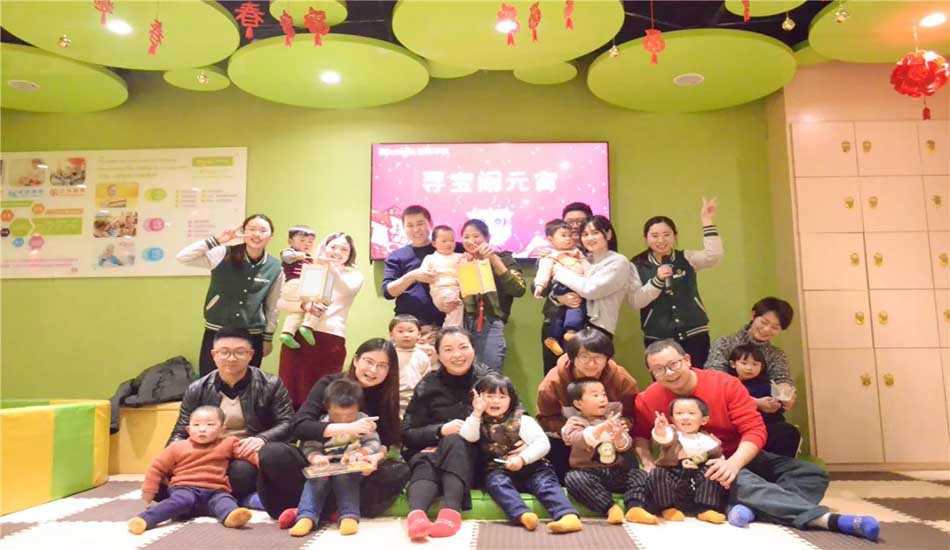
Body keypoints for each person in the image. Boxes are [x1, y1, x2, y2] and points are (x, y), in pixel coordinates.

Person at [633, 340, 879, 541]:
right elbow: (641, 436)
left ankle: (749, 508)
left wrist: (734, 463)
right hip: (697, 467)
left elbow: (754, 430)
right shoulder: (648, 399)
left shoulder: (725, 384)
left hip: (740, 454)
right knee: (741, 481)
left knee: (811, 473)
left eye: (674, 364)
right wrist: (647, 462)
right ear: (651, 373)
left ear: (687, 360)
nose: (669, 373)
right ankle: (825, 519)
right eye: (659, 369)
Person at [257, 338, 407, 522]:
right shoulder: (329, 384)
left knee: (400, 470)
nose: (373, 370)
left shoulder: (386, 394)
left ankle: (313, 509)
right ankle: (331, 509)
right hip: (319, 465)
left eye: (382, 366)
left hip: (353, 469)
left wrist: (374, 458)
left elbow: (387, 440)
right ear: (356, 360)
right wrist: (348, 428)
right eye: (369, 362)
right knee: (272, 452)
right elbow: (299, 426)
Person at [167, 327, 294, 507]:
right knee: (161, 483)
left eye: (239, 352)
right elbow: (181, 431)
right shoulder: (197, 388)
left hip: (247, 453)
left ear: (250, 355)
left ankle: (219, 499)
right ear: (214, 355)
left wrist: (262, 438)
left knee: (240, 472)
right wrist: (169, 461)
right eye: (224, 352)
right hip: (207, 452)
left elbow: (288, 423)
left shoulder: (270, 384)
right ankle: (233, 499)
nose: (231, 358)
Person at [459, 372, 582, 534]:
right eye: (489, 396)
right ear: (477, 397)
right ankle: (523, 515)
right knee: (496, 484)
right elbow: (468, 436)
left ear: (511, 400)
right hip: (498, 470)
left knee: (546, 484)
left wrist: (522, 459)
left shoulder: (522, 419)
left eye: (502, 397)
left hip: (534, 467)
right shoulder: (476, 420)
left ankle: (567, 515)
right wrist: (476, 412)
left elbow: (542, 443)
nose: (495, 401)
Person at [402, 327, 490, 540]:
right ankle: (417, 515)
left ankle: (451, 511)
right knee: (426, 457)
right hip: (433, 453)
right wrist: (440, 430)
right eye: (448, 349)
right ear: (438, 355)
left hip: (477, 457)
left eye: (463, 347)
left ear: (473, 349)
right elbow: (408, 433)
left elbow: (515, 417)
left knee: (455, 440)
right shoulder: (428, 384)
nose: (457, 355)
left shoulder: (489, 381)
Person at [176, 214, 283, 376]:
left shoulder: (275, 267)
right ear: (243, 232)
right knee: (211, 381)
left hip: (252, 334)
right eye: (252, 229)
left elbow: (273, 306)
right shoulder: (223, 254)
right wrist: (218, 240)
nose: (257, 234)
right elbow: (183, 257)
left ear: (271, 236)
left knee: (246, 384)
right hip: (217, 331)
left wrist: (268, 337)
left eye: (263, 230)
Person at [628, 198, 723, 369]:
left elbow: (713, 257)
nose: (661, 240)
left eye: (667, 235)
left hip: (694, 333)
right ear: (646, 238)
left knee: (698, 377)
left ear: (675, 236)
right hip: (658, 337)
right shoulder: (636, 265)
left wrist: (707, 221)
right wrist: (657, 281)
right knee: (665, 379)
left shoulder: (686, 258)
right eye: (655, 236)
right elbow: (635, 301)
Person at [129, 406, 254, 534]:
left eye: (210, 424)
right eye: (196, 425)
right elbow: (156, 467)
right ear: (188, 429)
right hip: (185, 489)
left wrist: (263, 463)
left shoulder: (228, 443)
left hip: (216, 491)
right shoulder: (177, 447)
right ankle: (144, 520)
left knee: (226, 501)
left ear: (222, 430)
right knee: (180, 501)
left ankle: (232, 517)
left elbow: (248, 454)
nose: (202, 429)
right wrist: (149, 490)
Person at [536, 328, 639, 481]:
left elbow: (632, 414)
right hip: (568, 442)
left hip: (611, 440)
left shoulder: (622, 380)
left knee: (634, 475)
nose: (591, 364)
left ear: (607, 358)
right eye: (584, 357)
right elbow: (546, 419)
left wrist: (623, 424)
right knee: (566, 478)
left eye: (598, 357)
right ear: (572, 357)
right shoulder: (553, 382)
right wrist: (575, 432)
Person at [277, 232, 364, 409]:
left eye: (344, 249)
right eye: (333, 247)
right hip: (297, 337)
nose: (337, 252)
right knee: (290, 391)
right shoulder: (307, 270)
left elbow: (346, 290)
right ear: (324, 248)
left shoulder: (353, 276)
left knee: (324, 395)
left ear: (350, 254)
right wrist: (304, 306)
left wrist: (329, 267)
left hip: (330, 338)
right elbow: (281, 302)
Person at [288, 378, 381, 537]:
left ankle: (349, 516)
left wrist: (361, 453)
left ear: (358, 407)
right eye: (337, 415)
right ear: (327, 408)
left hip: (350, 466)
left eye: (349, 415)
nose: (344, 420)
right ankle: (306, 517)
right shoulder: (322, 422)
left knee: (346, 479)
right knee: (316, 480)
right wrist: (316, 457)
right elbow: (310, 445)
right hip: (325, 465)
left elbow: (373, 442)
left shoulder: (362, 420)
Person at [561, 378, 651, 525]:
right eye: (595, 395)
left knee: (639, 474)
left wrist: (619, 437)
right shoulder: (575, 422)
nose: (602, 399)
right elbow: (576, 439)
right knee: (573, 479)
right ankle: (610, 508)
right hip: (588, 472)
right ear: (578, 404)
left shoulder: (612, 420)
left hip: (616, 471)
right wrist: (600, 429)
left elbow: (626, 445)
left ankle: (635, 507)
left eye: (604, 394)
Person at [459, 219, 527, 371]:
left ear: (487, 238)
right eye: (466, 237)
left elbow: (518, 290)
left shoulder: (505, 259)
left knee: (489, 374)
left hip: (490, 323)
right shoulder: (460, 260)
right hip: (462, 324)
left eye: (476, 236)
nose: (471, 241)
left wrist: (494, 259)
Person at [549, 215, 631, 339]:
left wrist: (557, 271)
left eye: (595, 233)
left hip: (598, 329)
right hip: (569, 324)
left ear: (608, 234)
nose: (589, 238)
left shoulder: (618, 261)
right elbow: (560, 287)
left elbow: (590, 290)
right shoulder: (583, 259)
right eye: (585, 234)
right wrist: (559, 298)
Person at [647, 397, 726, 524]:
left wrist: (722, 464)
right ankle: (668, 507)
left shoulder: (708, 439)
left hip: (696, 479)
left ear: (704, 420)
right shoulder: (672, 434)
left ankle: (705, 508)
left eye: (691, 413)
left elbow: (718, 457)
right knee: (657, 473)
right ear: (673, 419)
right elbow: (662, 438)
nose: (685, 417)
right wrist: (660, 429)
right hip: (673, 476)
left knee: (712, 471)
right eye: (679, 413)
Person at [540, 202, 593, 373]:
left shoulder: (594, 254)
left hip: (589, 324)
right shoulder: (550, 254)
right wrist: (558, 298)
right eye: (570, 222)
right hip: (554, 320)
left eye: (580, 221)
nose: (575, 226)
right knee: (556, 373)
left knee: (587, 374)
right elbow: (538, 287)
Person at [382, 205, 453, 326]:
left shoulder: (448, 246)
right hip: (409, 324)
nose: (415, 229)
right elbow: (388, 292)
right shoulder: (396, 256)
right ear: (404, 228)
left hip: (447, 321)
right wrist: (412, 276)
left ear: (430, 223)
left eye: (420, 223)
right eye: (410, 225)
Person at [727, 345, 801, 457]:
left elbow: (780, 406)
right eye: (744, 363)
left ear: (761, 367)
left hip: (768, 424)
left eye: (755, 364)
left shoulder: (768, 385)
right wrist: (756, 403)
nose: (749, 368)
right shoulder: (730, 384)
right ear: (733, 364)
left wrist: (778, 404)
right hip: (743, 427)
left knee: (787, 432)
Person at [705, 297, 796, 388]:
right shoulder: (724, 343)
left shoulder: (776, 355)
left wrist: (785, 390)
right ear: (753, 315)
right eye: (764, 322)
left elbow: (783, 379)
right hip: (728, 395)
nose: (766, 329)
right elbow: (714, 376)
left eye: (775, 328)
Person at [534, 219, 590, 356]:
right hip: (560, 290)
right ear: (550, 239)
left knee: (571, 311)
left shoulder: (580, 253)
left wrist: (589, 277)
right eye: (563, 235)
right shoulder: (548, 255)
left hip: (580, 291)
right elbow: (543, 273)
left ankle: (564, 334)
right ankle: (564, 334)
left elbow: (588, 269)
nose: (568, 238)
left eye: (570, 235)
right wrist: (540, 286)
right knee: (565, 313)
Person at [276, 225, 316, 350]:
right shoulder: (289, 252)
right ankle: (307, 326)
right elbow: (286, 257)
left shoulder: (308, 257)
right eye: (302, 240)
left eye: (310, 241)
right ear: (290, 241)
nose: (307, 243)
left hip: (296, 286)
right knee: (316, 301)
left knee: (296, 312)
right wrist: (299, 255)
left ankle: (287, 333)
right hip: (295, 283)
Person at [420, 225, 464, 327]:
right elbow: (422, 274)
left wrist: (468, 257)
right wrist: (429, 273)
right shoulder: (430, 258)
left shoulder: (459, 256)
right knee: (456, 305)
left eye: (452, 240)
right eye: (444, 241)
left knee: (458, 309)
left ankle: (449, 330)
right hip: (441, 290)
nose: (449, 243)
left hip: (458, 289)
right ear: (434, 243)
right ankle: (451, 331)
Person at [390, 314, 433, 419]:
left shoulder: (422, 356)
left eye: (410, 331)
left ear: (419, 334)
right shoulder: (388, 354)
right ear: (391, 334)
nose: (406, 335)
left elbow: (427, 379)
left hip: (415, 399)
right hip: (392, 398)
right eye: (400, 331)